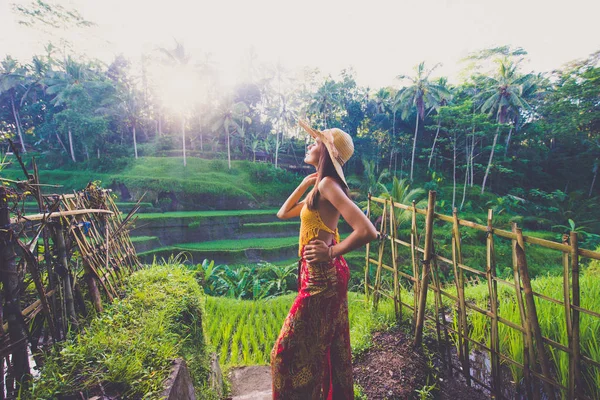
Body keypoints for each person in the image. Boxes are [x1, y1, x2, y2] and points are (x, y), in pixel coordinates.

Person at [271, 120, 378, 399]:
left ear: (327, 153)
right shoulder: (320, 186)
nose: (310, 144)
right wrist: (305, 183)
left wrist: (331, 251)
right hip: (318, 275)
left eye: (316, 142)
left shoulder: (329, 185)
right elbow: (283, 213)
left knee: (284, 354)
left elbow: (368, 231)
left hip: (322, 278)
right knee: (325, 349)